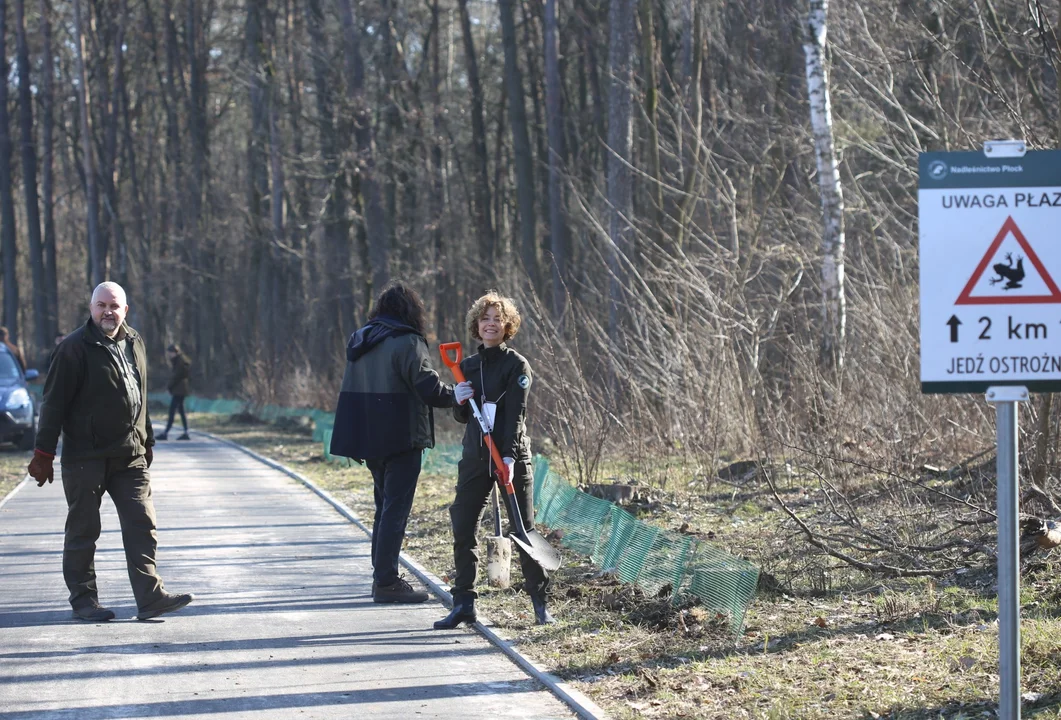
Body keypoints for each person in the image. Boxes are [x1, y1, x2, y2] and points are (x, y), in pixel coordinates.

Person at [27, 281, 194, 622]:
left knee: (142, 523)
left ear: (125, 310)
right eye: (101, 305)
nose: (108, 311)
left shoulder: (135, 341)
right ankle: (84, 600)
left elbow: (141, 395)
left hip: (129, 456)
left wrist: (147, 441)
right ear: (91, 308)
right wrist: (44, 452)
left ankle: (150, 597)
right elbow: (53, 403)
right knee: (83, 529)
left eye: (114, 306)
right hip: (85, 457)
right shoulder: (74, 348)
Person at [330, 284, 473, 604]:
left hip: (367, 437)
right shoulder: (407, 341)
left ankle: (382, 574)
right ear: (412, 311)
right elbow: (427, 387)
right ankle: (386, 581)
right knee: (395, 509)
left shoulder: (361, 339)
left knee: (384, 507)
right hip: (401, 436)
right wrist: (455, 395)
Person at [434, 291, 554, 629]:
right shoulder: (466, 367)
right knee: (463, 525)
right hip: (476, 457)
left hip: (510, 457)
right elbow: (463, 417)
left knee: (523, 529)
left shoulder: (517, 365)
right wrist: (458, 400)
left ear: (507, 326)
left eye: (497, 319)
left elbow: (516, 414)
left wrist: (510, 456)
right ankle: (463, 603)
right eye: (485, 318)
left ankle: (540, 604)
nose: (491, 324)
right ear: (477, 324)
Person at [157, 344, 191, 441]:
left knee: (172, 411)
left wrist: (169, 387)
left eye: (170, 353)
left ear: (175, 352)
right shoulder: (180, 361)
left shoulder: (180, 362)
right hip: (180, 389)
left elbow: (176, 377)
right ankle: (186, 432)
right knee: (181, 411)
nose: (169, 355)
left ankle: (166, 433)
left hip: (179, 390)